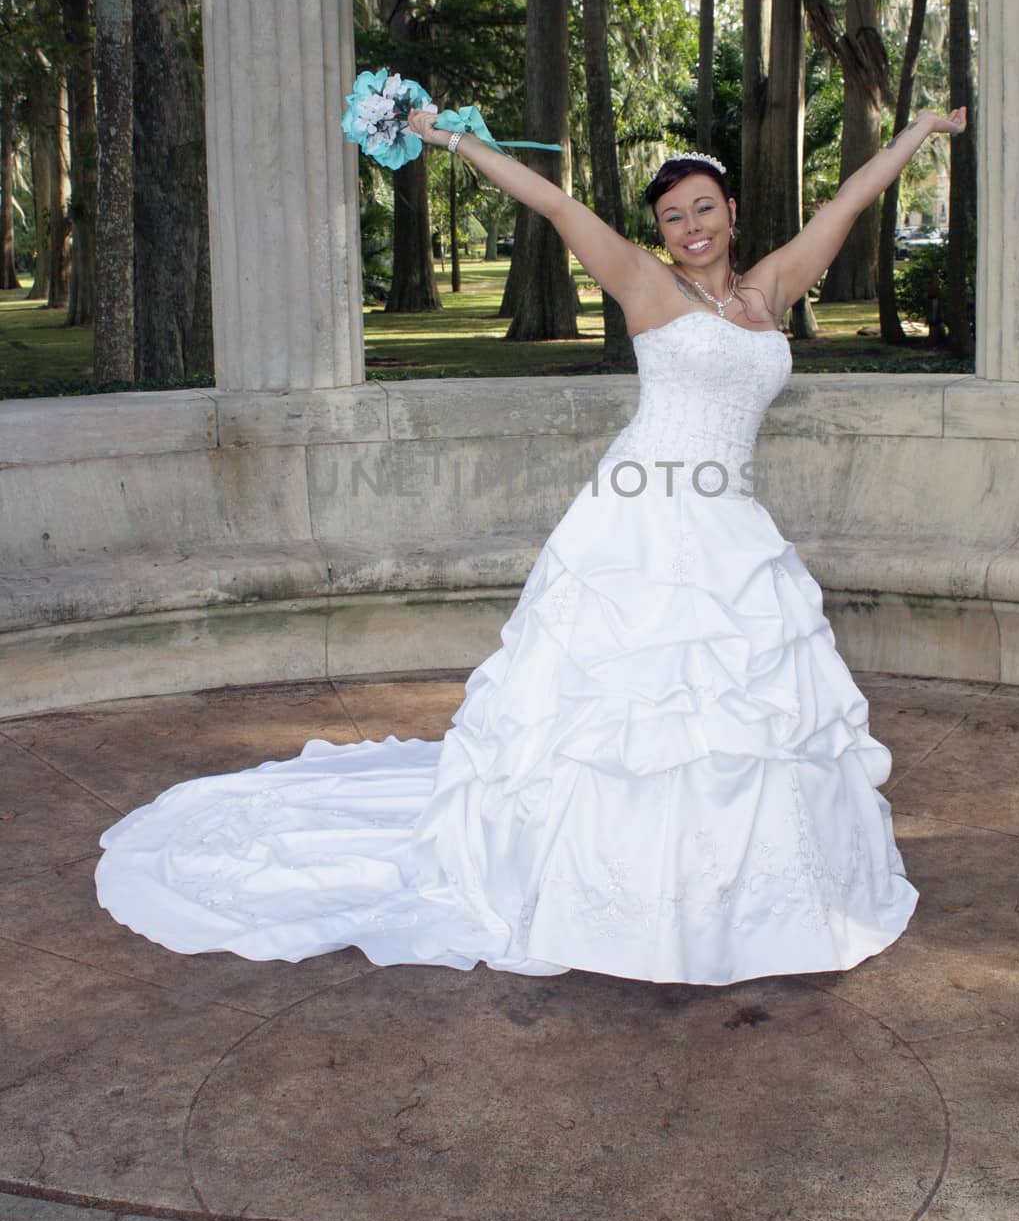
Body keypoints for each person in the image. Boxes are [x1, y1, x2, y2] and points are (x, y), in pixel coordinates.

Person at [95, 103, 967, 985]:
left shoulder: (771, 290)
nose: (690, 227)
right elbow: (552, 203)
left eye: (703, 208)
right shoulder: (642, 283)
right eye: (671, 215)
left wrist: (920, 132)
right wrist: (449, 139)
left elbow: (846, 205)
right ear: (656, 230)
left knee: (741, 712)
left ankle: (732, 891)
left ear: (730, 211)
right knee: (629, 707)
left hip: (728, 521)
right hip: (643, 515)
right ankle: (615, 891)